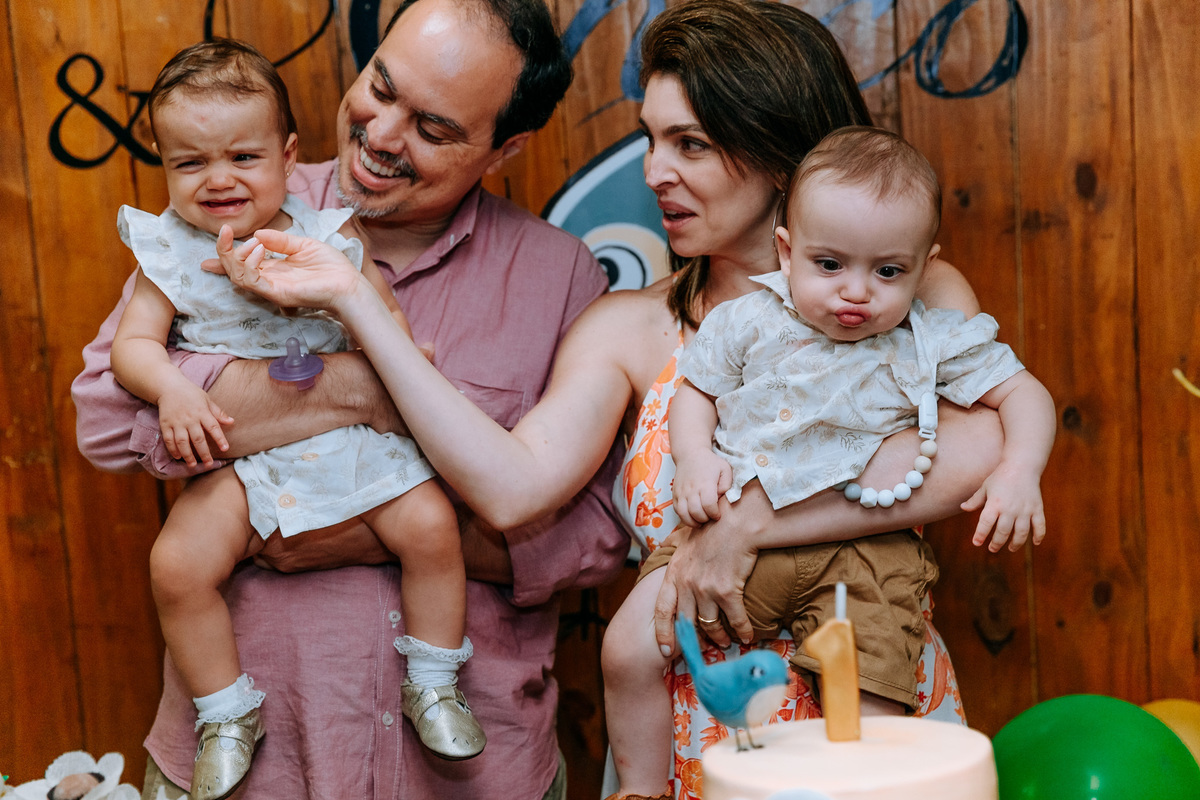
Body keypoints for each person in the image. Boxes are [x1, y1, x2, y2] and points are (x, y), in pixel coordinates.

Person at [191, 2, 1010, 798]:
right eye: (652, 138)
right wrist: (361, 307)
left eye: (690, 143)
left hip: (875, 708)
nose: (656, 171)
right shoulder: (629, 326)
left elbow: (970, 454)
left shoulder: (911, 293)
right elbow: (510, 488)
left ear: (780, 151)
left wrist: (748, 526)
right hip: (687, 739)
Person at [71, 0, 631, 797]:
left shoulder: (561, 277)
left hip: (474, 771)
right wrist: (363, 392)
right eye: (381, 86)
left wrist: (367, 530)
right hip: (260, 770)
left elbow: (599, 535)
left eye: (433, 129)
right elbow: (104, 416)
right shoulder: (225, 202)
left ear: (507, 148)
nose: (382, 133)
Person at [602, 125, 1055, 797]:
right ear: (788, 252)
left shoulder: (930, 339)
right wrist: (694, 458)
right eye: (830, 265)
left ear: (922, 268)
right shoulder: (749, 321)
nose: (857, 292)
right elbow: (695, 390)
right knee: (628, 646)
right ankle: (641, 789)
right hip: (732, 538)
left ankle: (868, 788)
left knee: (872, 690)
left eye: (888, 272)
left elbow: (1024, 393)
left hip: (867, 548)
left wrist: (1020, 469)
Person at [109, 39, 488, 799]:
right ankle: (224, 712)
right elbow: (130, 351)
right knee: (176, 567)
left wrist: (366, 320)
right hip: (245, 463)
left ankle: (435, 678)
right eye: (189, 164)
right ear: (164, 167)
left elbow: (388, 331)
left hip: (351, 447)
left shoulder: (329, 237)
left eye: (242, 157)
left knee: (431, 528)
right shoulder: (168, 251)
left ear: (287, 156)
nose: (218, 180)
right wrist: (175, 390)